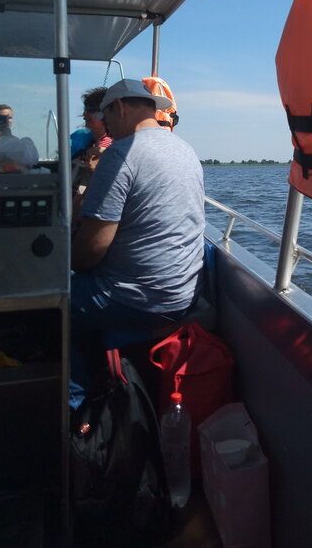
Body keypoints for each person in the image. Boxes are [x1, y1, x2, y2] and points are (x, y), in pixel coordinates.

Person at [70, 79, 205, 408]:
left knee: (51, 306)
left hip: (140, 299)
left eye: (106, 117)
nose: (106, 127)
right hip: (184, 292)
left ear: (118, 107)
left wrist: (63, 261)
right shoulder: (185, 150)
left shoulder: (121, 154)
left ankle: (79, 411)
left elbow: (90, 252)